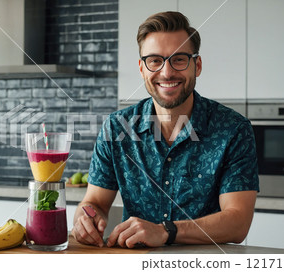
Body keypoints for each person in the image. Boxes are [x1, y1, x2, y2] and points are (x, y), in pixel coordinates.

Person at [72, 11, 259, 248]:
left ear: (197, 65)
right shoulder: (117, 127)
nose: (167, 72)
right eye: (155, 61)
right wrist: (85, 219)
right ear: (142, 68)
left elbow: (237, 223)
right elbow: (94, 202)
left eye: (179, 59)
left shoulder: (234, 129)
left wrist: (165, 231)